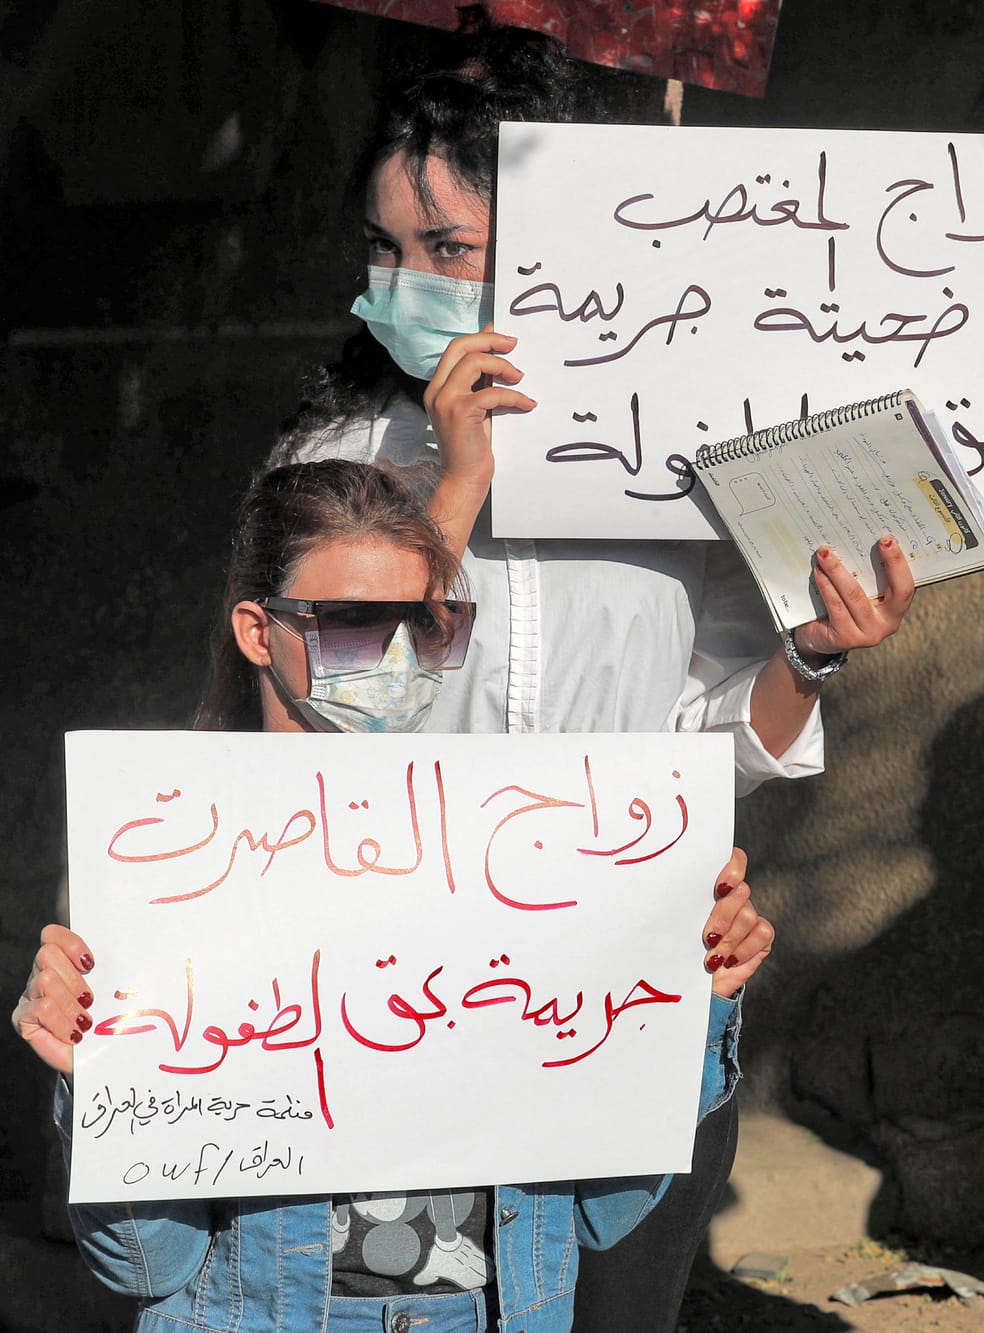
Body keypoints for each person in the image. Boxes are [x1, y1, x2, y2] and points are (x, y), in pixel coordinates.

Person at [272, 24, 915, 1326]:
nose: (408, 283)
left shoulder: (677, 457)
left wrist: (809, 653)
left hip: (635, 988)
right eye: (386, 248)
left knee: (616, 1305)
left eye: (449, 248)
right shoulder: (332, 460)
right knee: (423, 1306)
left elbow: (705, 735)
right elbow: (330, 723)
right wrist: (452, 493)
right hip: (408, 1007)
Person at [14, 459, 775, 1332]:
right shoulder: (164, 869)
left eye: (428, 624)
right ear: (258, 632)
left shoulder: (528, 854)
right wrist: (92, 1077)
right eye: (354, 626)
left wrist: (693, 998)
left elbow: (604, 1212)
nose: (400, 658)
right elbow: (149, 1263)